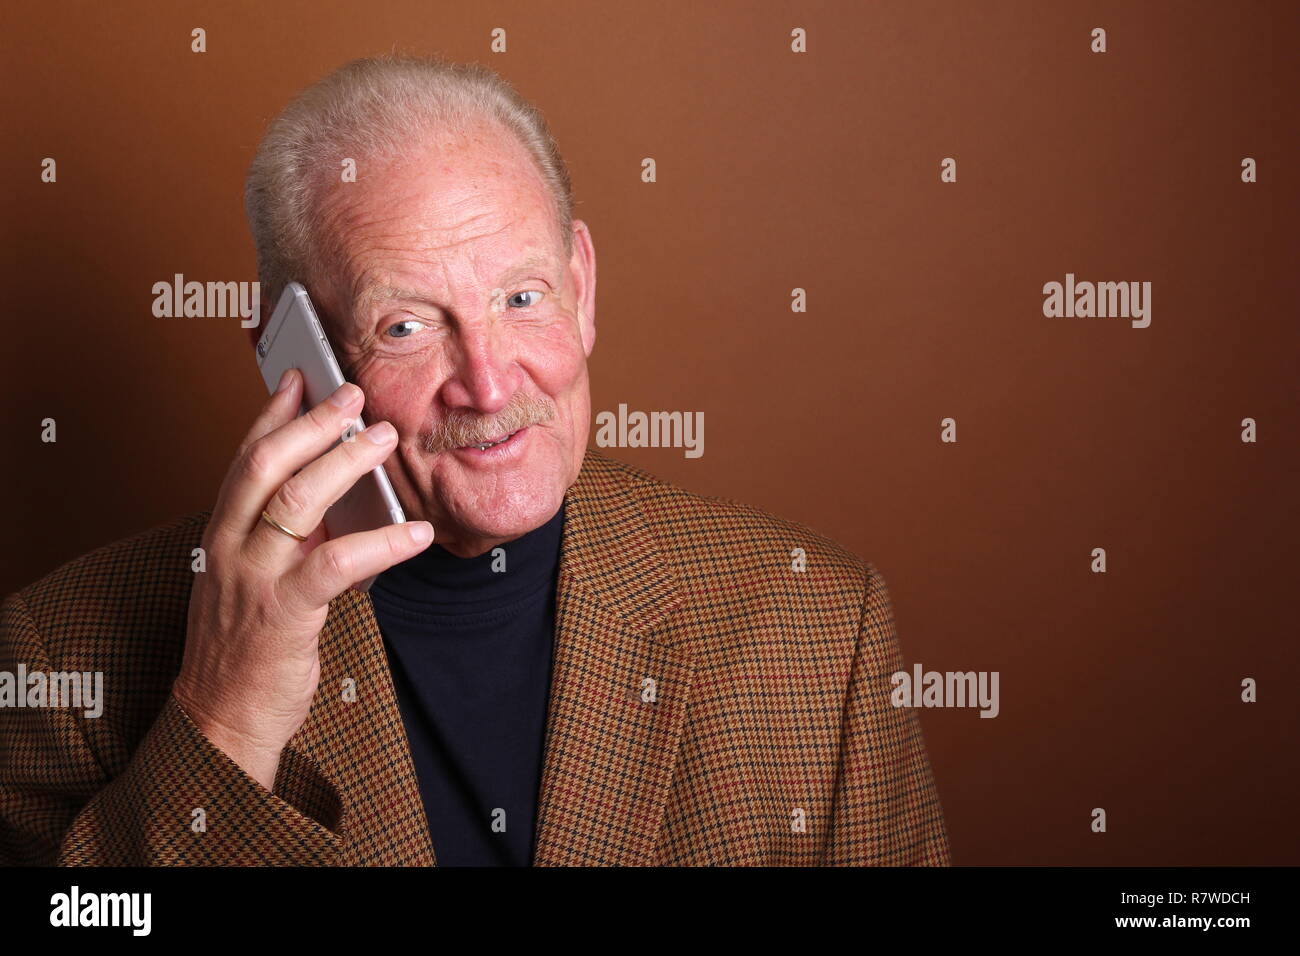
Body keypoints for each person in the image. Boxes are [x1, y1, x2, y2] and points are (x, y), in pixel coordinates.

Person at [0, 54, 950, 866]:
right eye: (406, 326)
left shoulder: (819, 628)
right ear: (297, 364)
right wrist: (224, 721)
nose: (489, 387)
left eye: (522, 299)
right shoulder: (59, 655)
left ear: (581, 288)